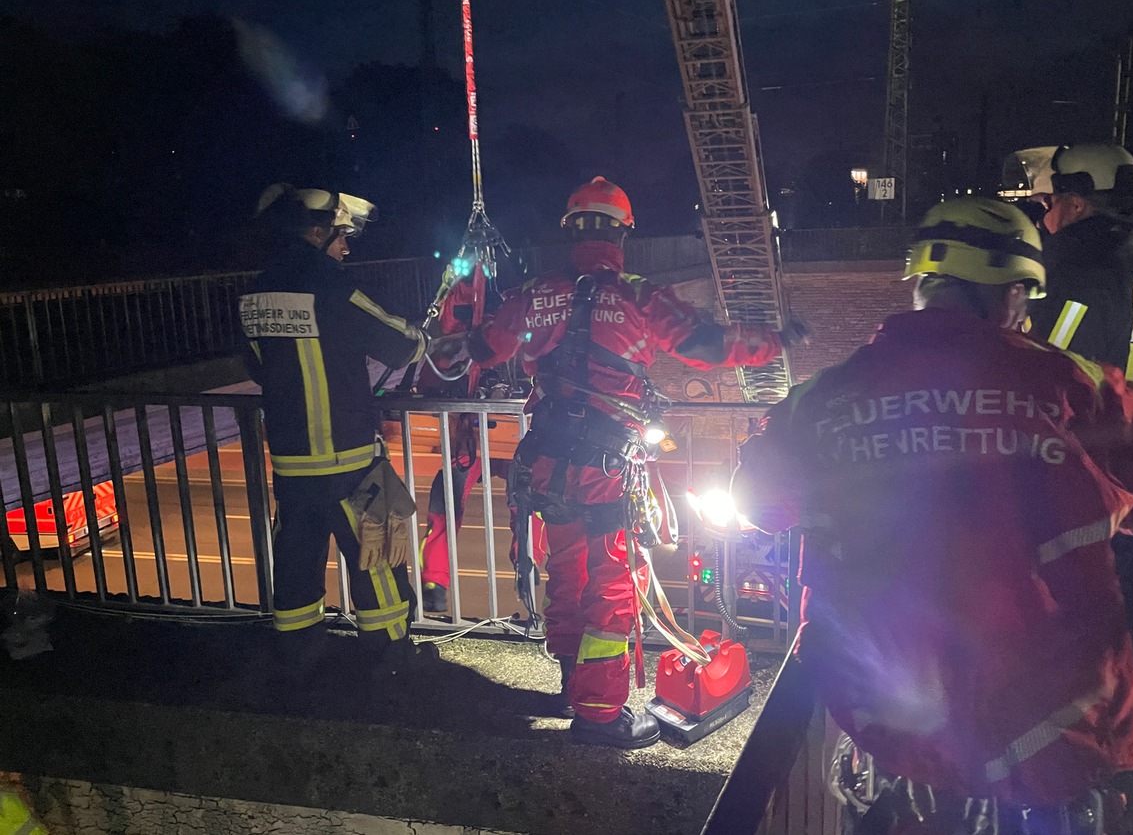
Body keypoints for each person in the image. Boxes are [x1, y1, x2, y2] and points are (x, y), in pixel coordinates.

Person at [731, 197, 1133, 834]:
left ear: (924, 286)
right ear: (1009, 292)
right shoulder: (1074, 384)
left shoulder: (823, 399)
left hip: (899, 733)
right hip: (1057, 732)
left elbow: (758, 503)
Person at [429, 176, 799, 747]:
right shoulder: (637, 294)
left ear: (571, 231)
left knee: (566, 574)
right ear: (623, 234)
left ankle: (571, 682)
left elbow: (485, 348)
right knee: (612, 585)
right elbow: (703, 346)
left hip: (547, 461)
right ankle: (600, 711)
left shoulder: (535, 291)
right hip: (603, 468)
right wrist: (774, 341)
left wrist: (458, 337)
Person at [239, 183, 436, 678]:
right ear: (318, 232)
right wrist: (423, 334)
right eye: (340, 235)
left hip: (290, 457)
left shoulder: (254, 291)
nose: (345, 246)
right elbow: (397, 343)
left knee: (298, 557)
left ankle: (299, 653)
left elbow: (259, 366)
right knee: (378, 556)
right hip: (348, 455)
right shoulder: (331, 284)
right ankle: (391, 655)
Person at [1002, 144, 1133, 417]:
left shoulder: (1077, 277)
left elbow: (1045, 377)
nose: (1043, 218)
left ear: (1076, 204)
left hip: (1091, 452)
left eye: (1048, 203)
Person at [419, 411, 548, 614]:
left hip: (475, 435)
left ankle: (434, 585)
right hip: (513, 436)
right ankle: (527, 561)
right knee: (526, 504)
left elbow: (433, 385)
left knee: (445, 508)